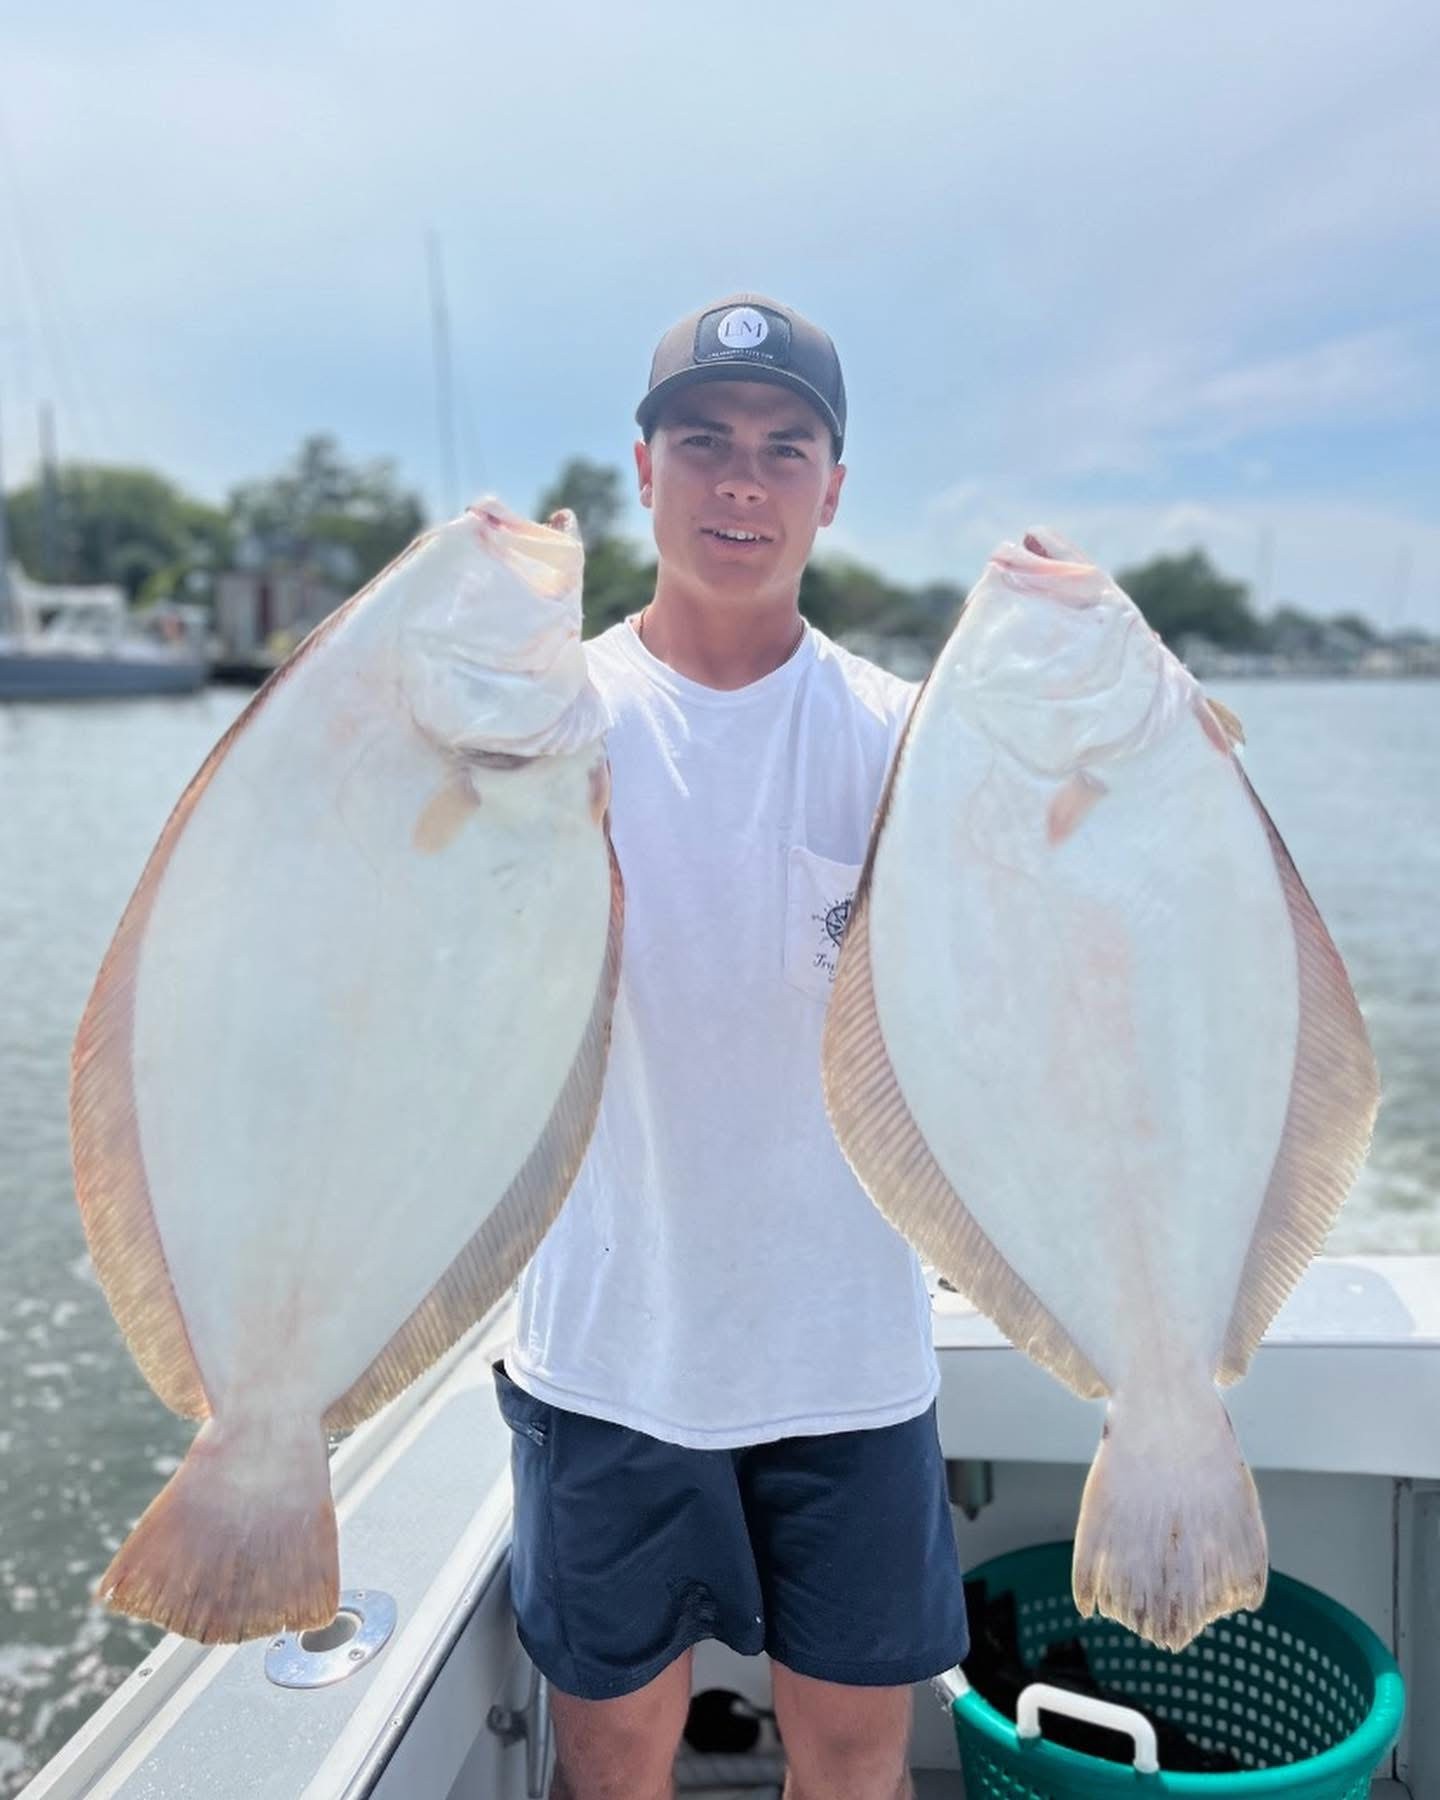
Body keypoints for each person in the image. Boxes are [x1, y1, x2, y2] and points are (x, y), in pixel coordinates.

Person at [494, 293, 968, 1800]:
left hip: (849, 1352)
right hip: (608, 1346)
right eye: (704, 443)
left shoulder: (908, 742)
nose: (742, 482)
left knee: (856, 1756)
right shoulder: (536, 725)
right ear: (645, 472)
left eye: (784, 449)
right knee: (612, 1752)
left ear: (834, 489)